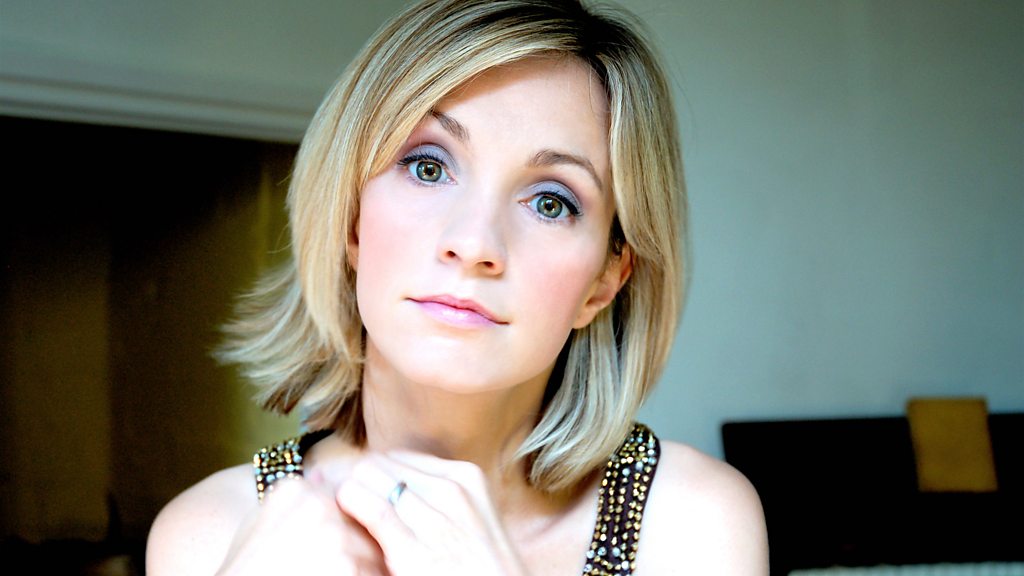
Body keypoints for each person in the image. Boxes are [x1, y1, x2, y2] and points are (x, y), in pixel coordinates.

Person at [146, 0, 768, 574]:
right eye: (428, 166)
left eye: (550, 202)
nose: (473, 244)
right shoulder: (209, 535)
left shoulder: (690, 522)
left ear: (604, 281)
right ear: (351, 219)